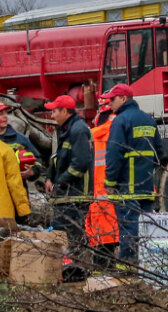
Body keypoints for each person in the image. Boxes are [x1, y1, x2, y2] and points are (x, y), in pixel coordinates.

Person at [101, 84, 161, 263]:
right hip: (147, 185)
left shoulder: (120, 121)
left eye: (112, 99)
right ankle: (150, 262)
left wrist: (110, 182)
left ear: (123, 99)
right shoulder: (149, 120)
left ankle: (129, 264)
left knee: (129, 225)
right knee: (146, 226)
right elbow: (159, 152)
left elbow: (114, 153)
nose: (109, 103)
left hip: (127, 186)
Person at [45, 94, 94, 275]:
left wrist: (59, 182)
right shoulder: (67, 129)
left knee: (70, 236)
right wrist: (50, 177)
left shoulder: (78, 130)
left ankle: (78, 272)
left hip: (75, 194)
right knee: (66, 235)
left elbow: (80, 164)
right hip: (66, 195)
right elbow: (59, 159)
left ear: (65, 111)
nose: (52, 115)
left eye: (54, 111)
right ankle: (71, 271)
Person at [86, 103, 120, 269]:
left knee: (102, 241)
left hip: (100, 194)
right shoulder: (124, 131)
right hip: (121, 195)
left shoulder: (94, 135)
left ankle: (102, 274)